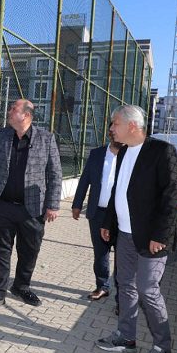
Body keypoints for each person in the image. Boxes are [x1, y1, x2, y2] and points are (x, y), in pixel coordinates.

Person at [96, 105, 177, 353]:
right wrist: (109, 223)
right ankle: (126, 336)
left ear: (132, 126)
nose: (111, 128)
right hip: (125, 234)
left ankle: (162, 347)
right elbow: (117, 192)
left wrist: (160, 235)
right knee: (125, 285)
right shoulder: (122, 153)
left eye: (115, 124)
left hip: (151, 238)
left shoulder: (162, 151)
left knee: (148, 290)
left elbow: (171, 196)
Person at [0, 99, 62, 311]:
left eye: (13, 109)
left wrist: (52, 205)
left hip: (32, 209)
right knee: (0, 251)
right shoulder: (1, 136)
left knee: (29, 251)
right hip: (3, 206)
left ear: (25, 115)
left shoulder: (46, 139)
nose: (8, 111)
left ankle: (21, 286)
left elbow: (54, 174)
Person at [71, 127, 121, 303]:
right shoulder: (97, 154)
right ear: (108, 134)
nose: (116, 135)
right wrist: (77, 205)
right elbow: (85, 179)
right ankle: (102, 286)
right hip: (97, 213)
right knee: (100, 253)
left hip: (120, 216)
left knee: (122, 256)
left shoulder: (131, 157)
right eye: (113, 132)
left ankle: (122, 297)